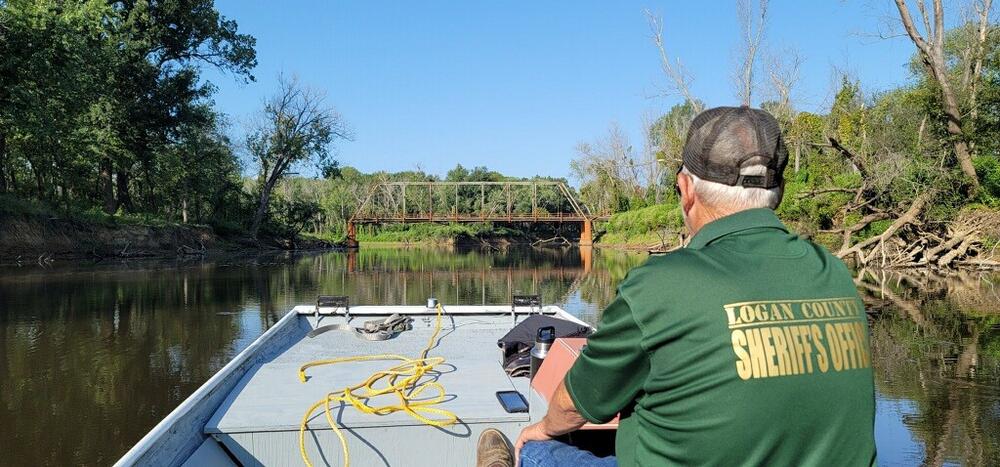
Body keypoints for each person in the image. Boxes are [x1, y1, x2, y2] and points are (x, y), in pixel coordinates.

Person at [476, 106, 877, 467]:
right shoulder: (835, 273)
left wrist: (542, 429)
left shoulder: (661, 285)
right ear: (780, 192)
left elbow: (577, 406)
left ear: (686, 190)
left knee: (540, 450)